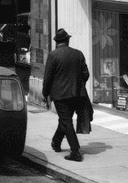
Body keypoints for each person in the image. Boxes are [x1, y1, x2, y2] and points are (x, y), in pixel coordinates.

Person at [42, 28, 90, 162]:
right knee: (65, 119)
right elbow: (86, 74)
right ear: (67, 40)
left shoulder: (53, 55)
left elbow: (48, 78)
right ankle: (56, 142)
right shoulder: (78, 54)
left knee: (66, 120)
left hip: (60, 95)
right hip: (76, 94)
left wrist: (45, 94)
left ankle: (75, 151)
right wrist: (78, 85)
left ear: (57, 42)